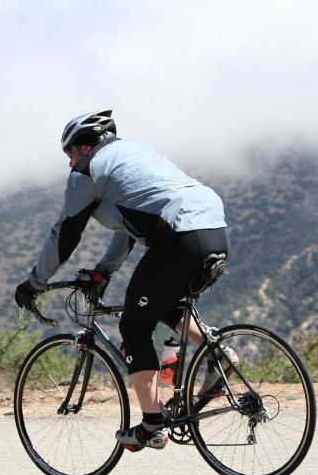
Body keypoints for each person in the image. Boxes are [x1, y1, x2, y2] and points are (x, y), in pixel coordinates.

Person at [15, 109, 231, 451]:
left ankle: (152, 424)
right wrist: (105, 270)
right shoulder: (134, 155)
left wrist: (34, 283)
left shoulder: (87, 172)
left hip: (179, 236)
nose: (69, 164)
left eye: (69, 154)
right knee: (163, 305)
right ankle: (216, 353)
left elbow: (65, 235)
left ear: (85, 148)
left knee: (133, 327)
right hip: (215, 229)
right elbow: (129, 228)